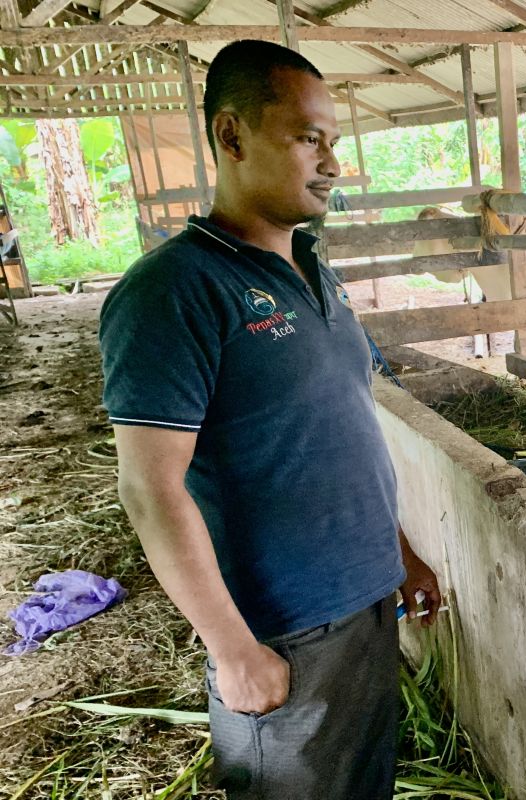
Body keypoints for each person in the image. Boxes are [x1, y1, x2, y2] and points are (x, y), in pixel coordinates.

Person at [98, 40, 440, 799]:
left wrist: (401, 554)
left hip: (366, 607)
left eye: (334, 143)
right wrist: (233, 651)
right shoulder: (175, 291)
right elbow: (150, 491)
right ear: (231, 135)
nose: (332, 163)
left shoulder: (315, 269)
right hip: (283, 634)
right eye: (307, 139)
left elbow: (336, 428)